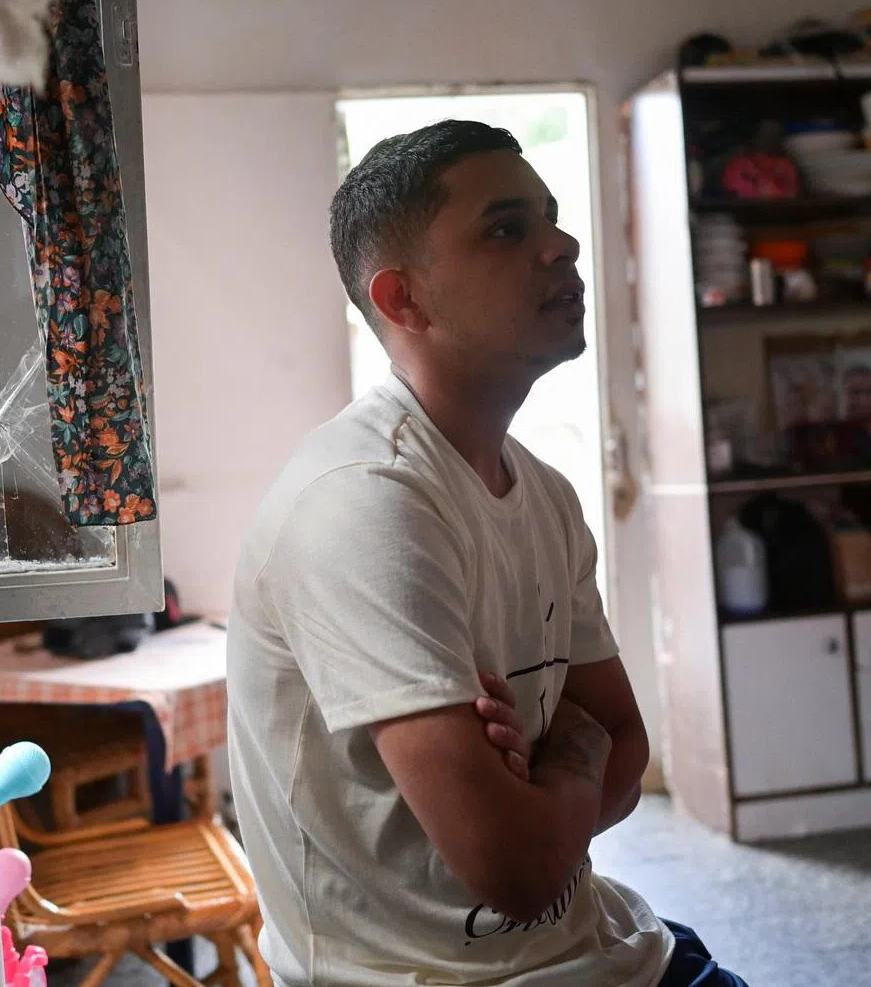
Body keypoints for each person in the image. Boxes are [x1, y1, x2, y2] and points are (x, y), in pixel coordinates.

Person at [227, 120, 748, 987]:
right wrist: (570, 757)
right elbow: (517, 869)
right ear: (403, 301)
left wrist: (553, 781)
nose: (564, 244)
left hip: (602, 945)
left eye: (548, 217)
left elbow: (623, 742)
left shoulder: (541, 491)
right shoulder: (364, 503)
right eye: (507, 229)